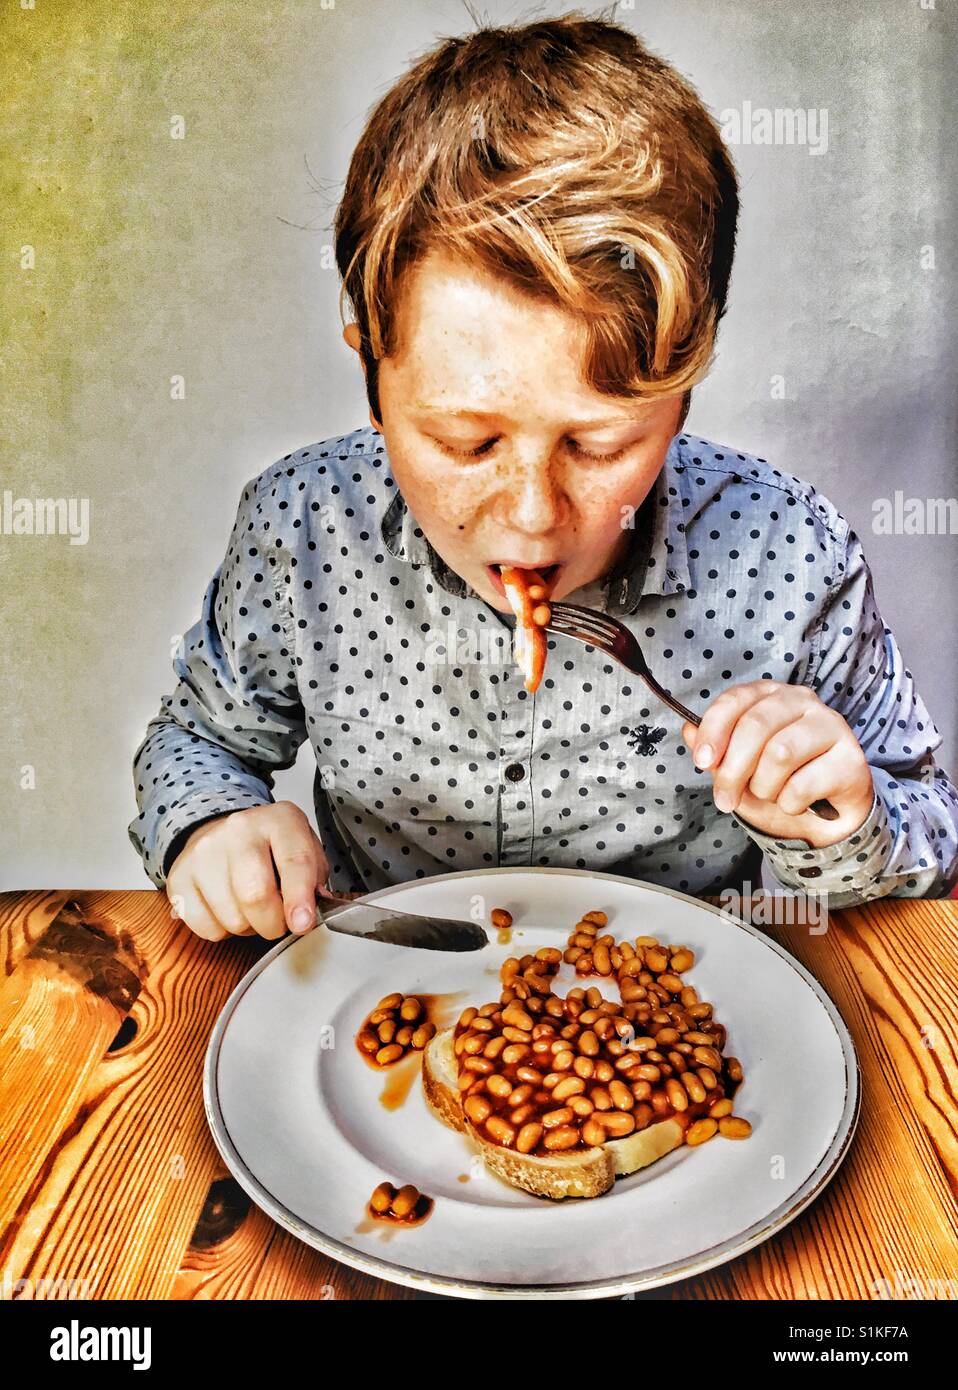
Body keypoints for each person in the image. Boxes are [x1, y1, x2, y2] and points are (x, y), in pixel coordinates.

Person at [128, 13, 958, 940]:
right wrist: (211, 826)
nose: (531, 522)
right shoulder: (300, 529)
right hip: (387, 1007)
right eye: (465, 443)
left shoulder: (790, 553)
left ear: (683, 394)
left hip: (675, 1022)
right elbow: (195, 743)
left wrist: (839, 809)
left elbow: (930, 833)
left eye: (599, 447)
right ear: (370, 370)